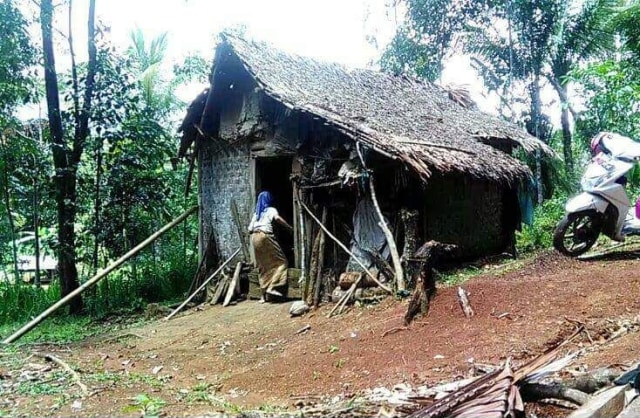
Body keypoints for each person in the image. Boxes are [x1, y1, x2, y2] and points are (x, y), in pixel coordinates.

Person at [248, 191, 293, 303]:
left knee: (262, 266)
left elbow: (249, 229)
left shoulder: (256, 214)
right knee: (282, 262)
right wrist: (289, 227)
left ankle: (263, 297)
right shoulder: (271, 210)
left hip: (254, 237)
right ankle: (272, 287)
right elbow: (277, 219)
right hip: (264, 236)